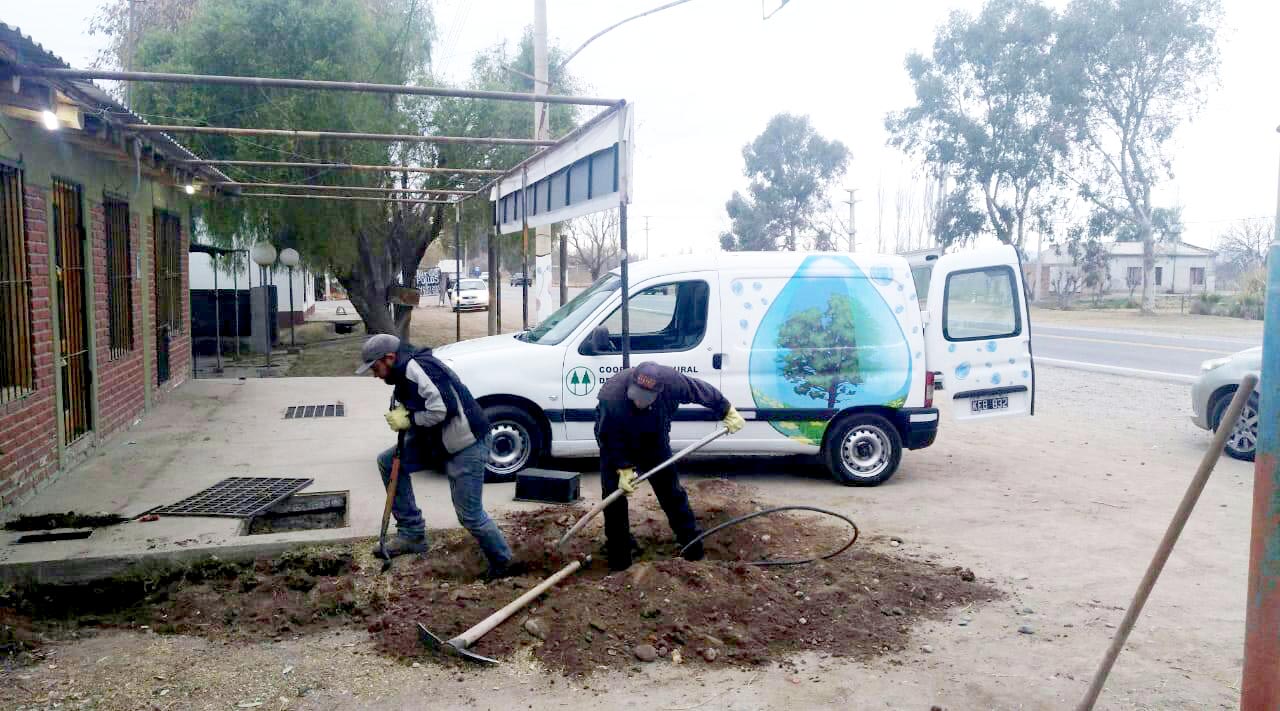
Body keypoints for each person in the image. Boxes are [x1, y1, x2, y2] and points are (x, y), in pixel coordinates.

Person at [356, 333, 514, 579]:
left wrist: (409, 419)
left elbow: (443, 409)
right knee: (388, 462)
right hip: (438, 441)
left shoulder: (417, 368)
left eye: (375, 368)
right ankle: (412, 534)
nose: (375, 374)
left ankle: (504, 563)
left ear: (389, 358)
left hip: (466, 444)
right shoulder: (401, 373)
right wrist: (404, 409)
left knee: (470, 516)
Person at [594, 361, 746, 571]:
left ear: (659, 391)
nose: (639, 402)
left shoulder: (672, 381)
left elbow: (699, 390)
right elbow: (607, 437)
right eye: (636, 396)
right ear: (631, 385)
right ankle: (619, 562)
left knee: (671, 493)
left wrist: (726, 410)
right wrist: (623, 468)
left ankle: (693, 549)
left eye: (645, 398)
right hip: (618, 443)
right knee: (614, 500)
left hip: (654, 440)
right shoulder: (612, 396)